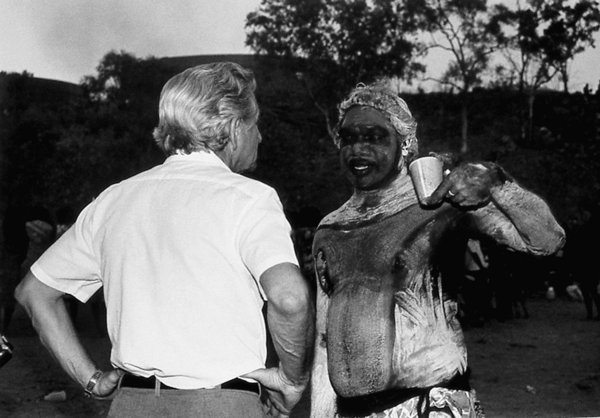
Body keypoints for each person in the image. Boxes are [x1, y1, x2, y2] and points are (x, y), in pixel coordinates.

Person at [15, 62, 314, 418]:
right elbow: (290, 298)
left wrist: (91, 379)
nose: (260, 135)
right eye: (255, 122)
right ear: (234, 127)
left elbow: (35, 292)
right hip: (221, 406)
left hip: (132, 405)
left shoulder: (115, 199)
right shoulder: (250, 198)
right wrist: (292, 380)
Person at [309, 82, 565, 417]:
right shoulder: (330, 229)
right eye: (348, 137)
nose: (358, 149)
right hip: (352, 410)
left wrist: (496, 183)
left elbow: (547, 240)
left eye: (373, 137)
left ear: (405, 144)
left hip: (431, 405)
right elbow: (324, 342)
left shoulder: (442, 205)